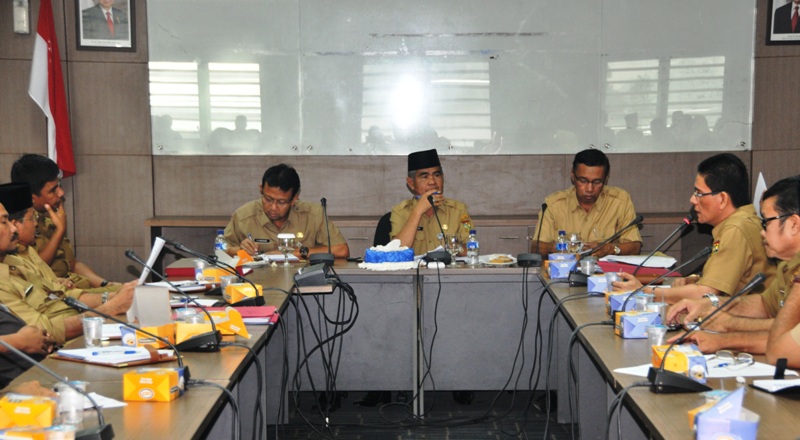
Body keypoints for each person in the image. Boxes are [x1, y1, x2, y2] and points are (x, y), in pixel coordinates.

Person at [613, 153, 776, 304]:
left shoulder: (736, 229)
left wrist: (645, 292)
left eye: (699, 193)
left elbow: (706, 294)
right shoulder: (739, 222)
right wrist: (695, 280)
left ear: (722, 199)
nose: (692, 199)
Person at [664, 176, 799, 354]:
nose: (761, 232)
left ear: (794, 225)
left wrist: (728, 326)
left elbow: (788, 334)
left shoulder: (738, 227)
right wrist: (712, 305)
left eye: (766, 222)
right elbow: (765, 305)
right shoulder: (788, 264)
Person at [0, 183, 135, 345]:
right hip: (64, 343)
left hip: (80, 324)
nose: (13, 229)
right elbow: (44, 332)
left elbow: (63, 294)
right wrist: (110, 308)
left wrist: (115, 296)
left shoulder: (14, 262)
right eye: (4, 222)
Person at [11, 154, 119, 290]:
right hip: (52, 293)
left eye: (59, 186)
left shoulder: (50, 219)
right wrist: (60, 231)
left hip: (76, 287)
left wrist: (106, 285)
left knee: (126, 291)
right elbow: (34, 270)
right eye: (53, 190)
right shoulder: (17, 227)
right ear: (32, 198)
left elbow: (72, 265)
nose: (61, 192)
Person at [223, 164, 350, 259]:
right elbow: (221, 249)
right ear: (261, 189)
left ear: (294, 199)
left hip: (302, 280)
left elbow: (341, 250)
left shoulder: (314, 215)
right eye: (268, 199)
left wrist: (294, 253)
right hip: (257, 281)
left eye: (281, 202)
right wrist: (240, 250)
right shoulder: (243, 216)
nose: (273, 207)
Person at [531, 148, 642, 257]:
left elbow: (635, 246)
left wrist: (610, 249)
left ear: (606, 179)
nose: (589, 189)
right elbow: (536, 247)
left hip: (605, 268)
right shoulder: (554, 204)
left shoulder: (620, 201)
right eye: (583, 181)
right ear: (573, 176)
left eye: (597, 182)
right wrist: (564, 247)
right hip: (565, 267)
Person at [390, 149, 472, 256]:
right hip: (416, 267)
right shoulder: (400, 212)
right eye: (424, 177)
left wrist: (455, 247)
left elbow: (472, 248)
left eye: (437, 175)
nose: (432, 181)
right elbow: (397, 252)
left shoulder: (459, 210)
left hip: (447, 267)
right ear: (411, 183)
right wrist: (418, 211)